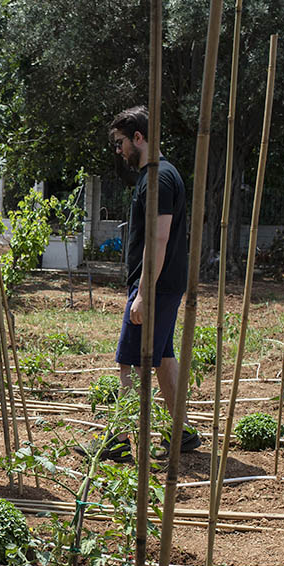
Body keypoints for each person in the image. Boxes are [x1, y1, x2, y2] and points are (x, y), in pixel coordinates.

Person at [100, 105, 199, 461]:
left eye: (120, 142)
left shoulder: (158, 178)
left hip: (155, 286)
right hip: (163, 284)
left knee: (130, 362)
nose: (119, 150)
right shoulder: (156, 176)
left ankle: (120, 442)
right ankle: (181, 432)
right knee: (164, 358)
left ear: (138, 138)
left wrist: (142, 295)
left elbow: (159, 239)